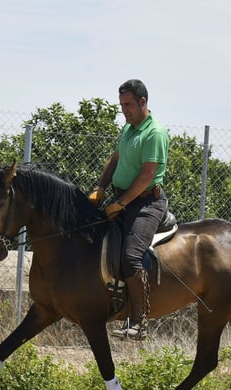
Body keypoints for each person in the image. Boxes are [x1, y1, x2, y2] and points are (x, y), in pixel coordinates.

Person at [89, 79, 169, 341]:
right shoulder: (129, 128)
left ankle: (139, 322)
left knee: (131, 256)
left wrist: (120, 204)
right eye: (121, 104)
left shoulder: (154, 133)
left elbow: (147, 176)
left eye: (128, 104)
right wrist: (101, 187)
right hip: (121, 199)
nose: (124, 109)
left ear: (143, 102)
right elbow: (115, 158)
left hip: (146, 203)